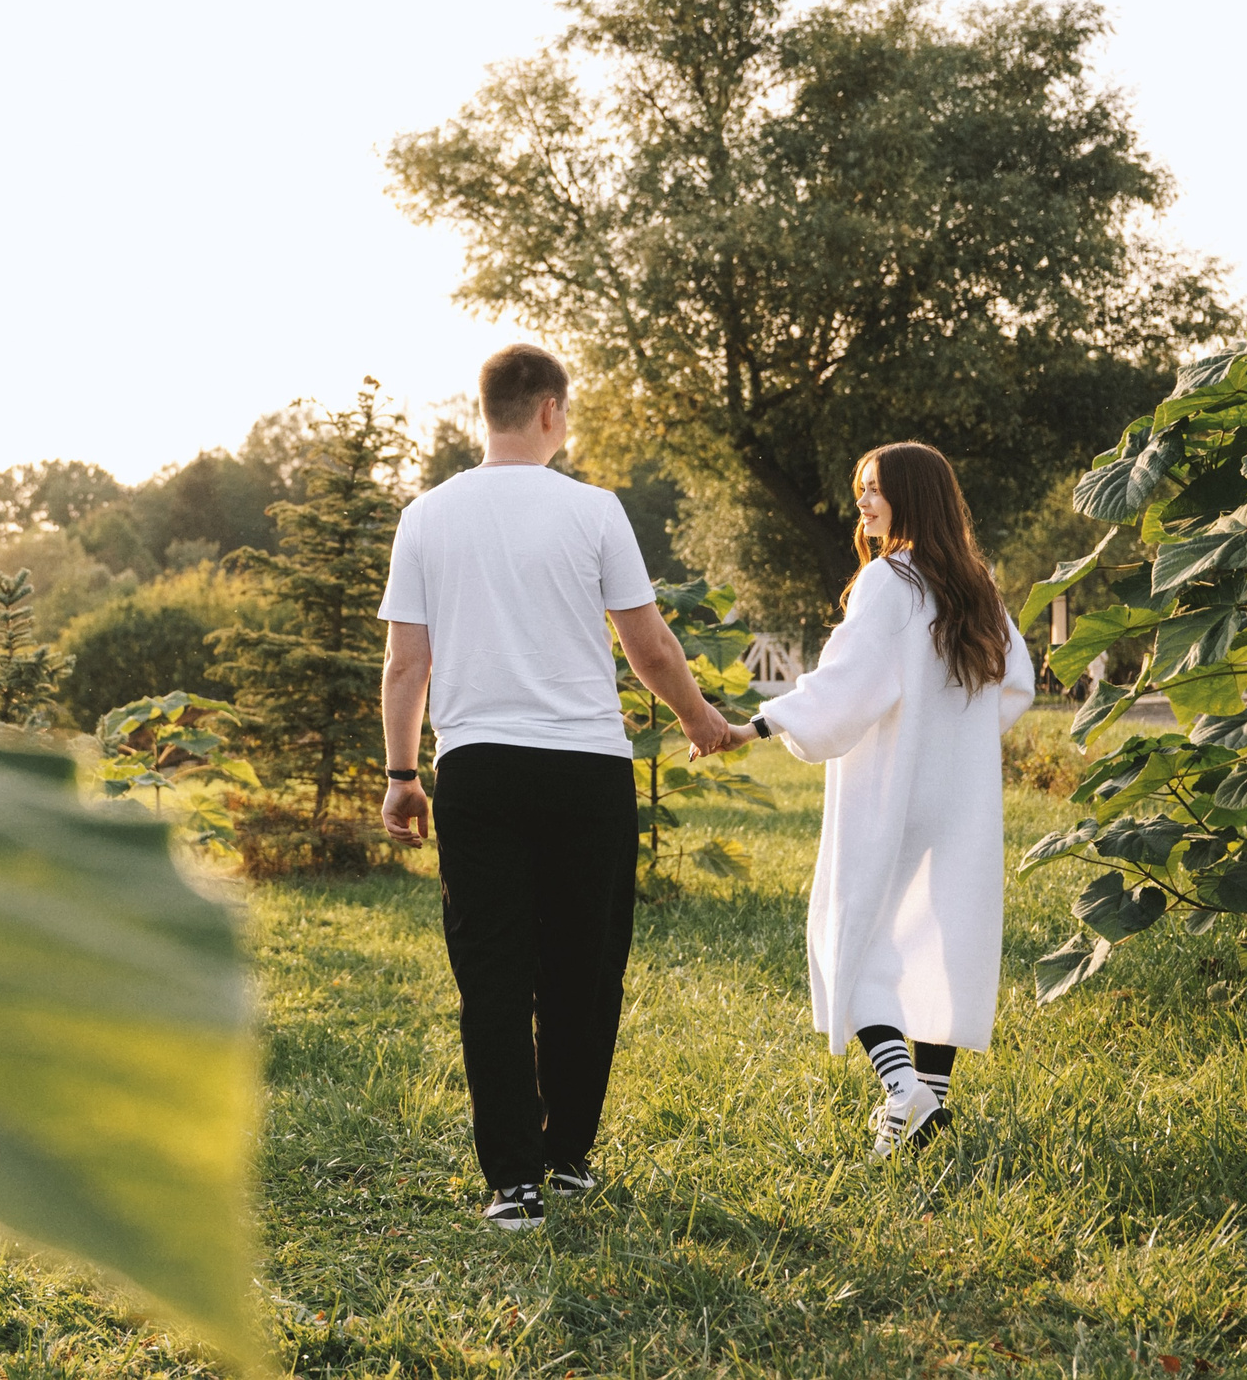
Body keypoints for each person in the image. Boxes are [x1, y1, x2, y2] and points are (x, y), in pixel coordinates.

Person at [378, 344, 728, 1232]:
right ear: (549, 411)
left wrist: (401, 775)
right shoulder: (595, 511)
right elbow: (649, 647)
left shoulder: (425, 515)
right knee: (584, 967)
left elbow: (404, 665)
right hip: (586, 770)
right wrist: (697, 720)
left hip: (479, 768)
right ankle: (567, 1153)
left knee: (492, 975)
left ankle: (514, 1184)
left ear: (483, 411)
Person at [721, 442, 1034, 1154]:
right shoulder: (975, 583)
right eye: (860, 488)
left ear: (913, 497)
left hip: (890, 790)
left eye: (877, 489)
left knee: (848, 932)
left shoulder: (888, 580)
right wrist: (960, 732)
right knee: (938, 937)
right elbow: (1016, 683)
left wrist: (762, 722)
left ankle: (903, 1090)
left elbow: (847, 682)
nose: (863, 502)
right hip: (961, 795)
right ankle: (923, 1111)